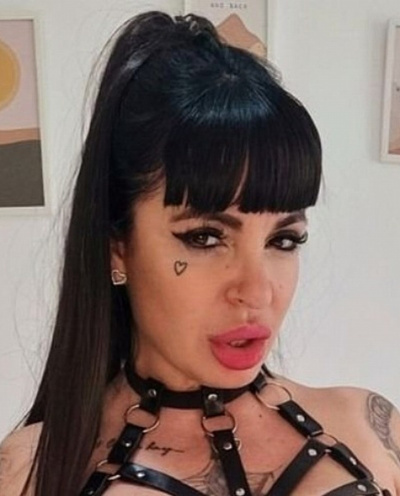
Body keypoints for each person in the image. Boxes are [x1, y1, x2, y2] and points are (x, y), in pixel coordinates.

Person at [0, 10, 399, 496]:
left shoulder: (370, 426)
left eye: (283, 240)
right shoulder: (29, 468)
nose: (257, 291)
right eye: (206, 238)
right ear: (118, 248)